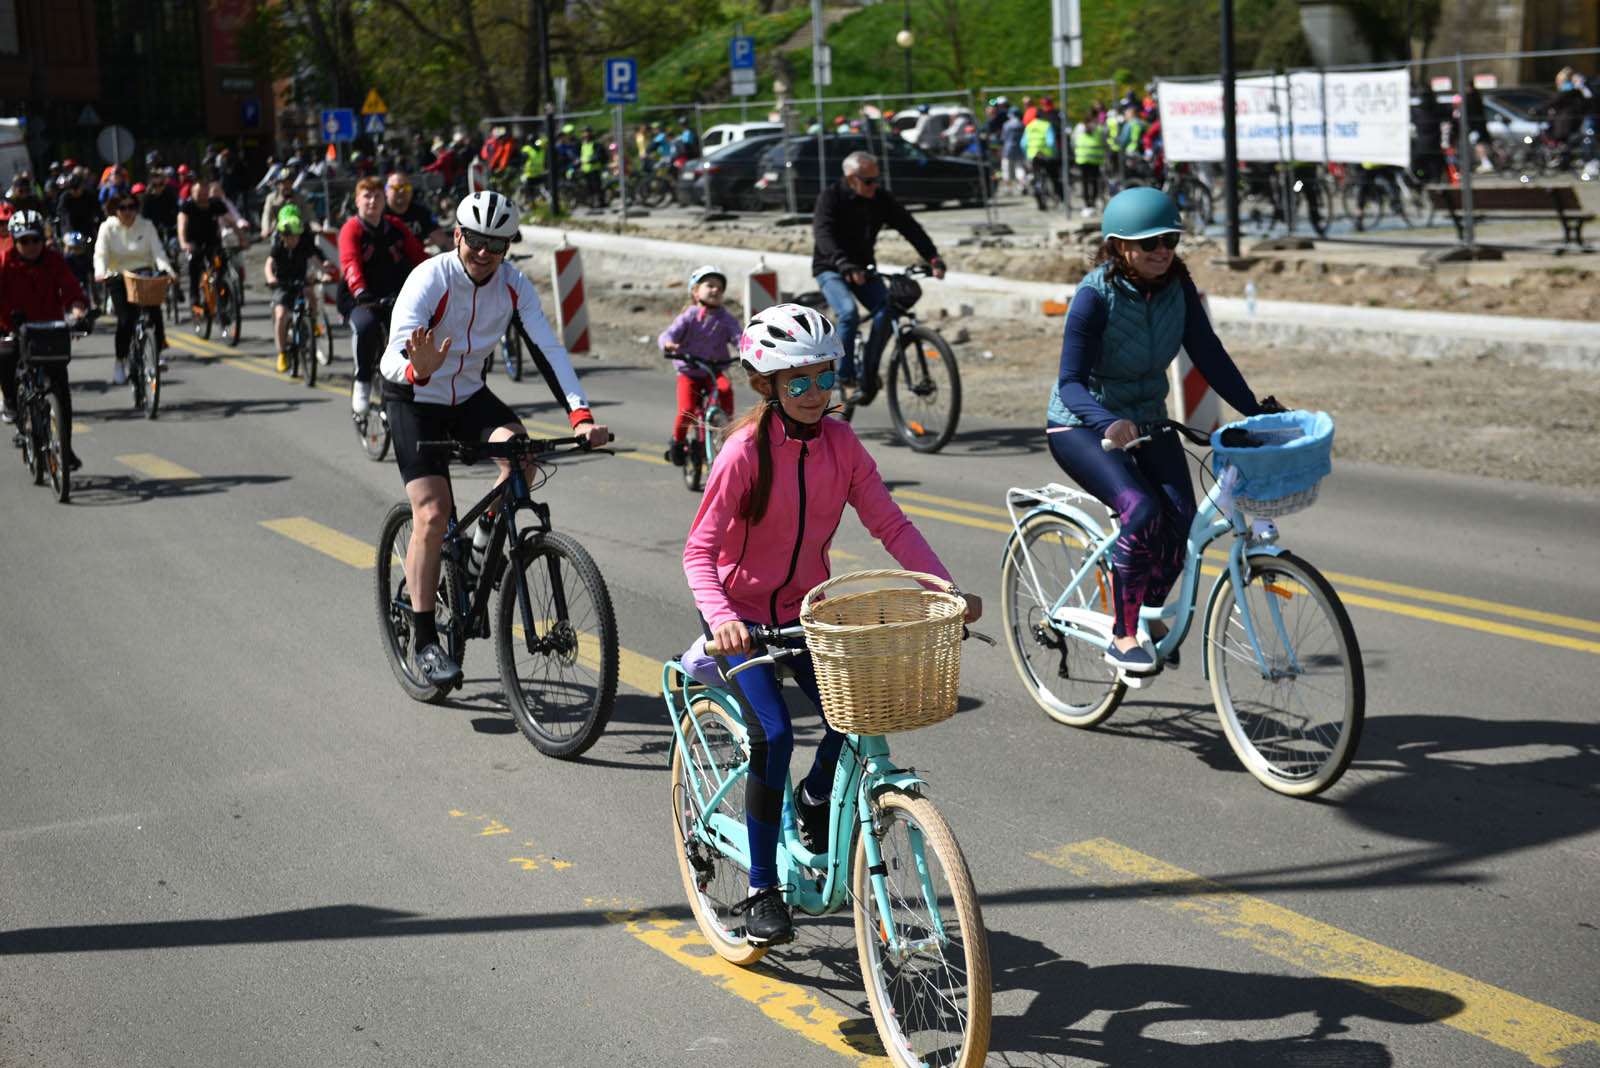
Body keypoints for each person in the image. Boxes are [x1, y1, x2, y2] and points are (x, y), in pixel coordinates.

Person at [680, 302, 981, 946]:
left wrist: (944, 590)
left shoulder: (842, 445)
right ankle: (762, 887)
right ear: (768, 385)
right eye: (800, 382)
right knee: (775, 735)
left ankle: (816, 800)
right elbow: (698, 551)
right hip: (747, 621)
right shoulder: (742, 454)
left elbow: (891, 525)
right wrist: (725, 620)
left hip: (808, 613)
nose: (817, 394)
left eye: (826, 378)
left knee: (862, 716)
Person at [378, 190, 609, 686]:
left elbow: (548, 349)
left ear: (508, 248)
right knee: (433, 513)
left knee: (522, 454)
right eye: (476, 240)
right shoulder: (430, 277)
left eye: (497, 244)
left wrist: (581, 416)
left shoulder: (513, 285)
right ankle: (423, 640)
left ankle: (478, 551)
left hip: (466, 395)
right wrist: (417, 370)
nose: (484, 252)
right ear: (458, 235)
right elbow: (395, 354)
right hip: (412, 397)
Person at [1045, 188, 1273, 676]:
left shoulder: (1178, 287)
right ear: (1118, 247)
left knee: (1183, 525)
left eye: (1169, 238)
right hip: (1081, 423)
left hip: (1148, 418)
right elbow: (1070, 382)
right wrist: (1108, 421)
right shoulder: (1092, 297)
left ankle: (1142, 613)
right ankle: (1123, 634)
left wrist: (1256, 411)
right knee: (1141, 510)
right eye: (1148, 242)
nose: (1162, 250)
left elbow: (1208, 354)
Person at [810, 150, 945, 406]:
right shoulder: (831, 197)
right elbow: (823, 234)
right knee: (848, 313)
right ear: (851, 179)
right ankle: (847, 379)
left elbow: (909, 226)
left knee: (889, 309)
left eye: (876, 179)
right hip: (831, 267)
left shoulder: (880, 198)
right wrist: (842, 262)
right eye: (868, 181)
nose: (874, 186)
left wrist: (933, 257)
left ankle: (868, 374)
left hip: (863, 269)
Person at [0, 210, 90, 467]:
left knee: (61, 392)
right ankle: (11, 403)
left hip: (48, 330)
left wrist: (77, 310)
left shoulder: (54, 260)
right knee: (4, 358)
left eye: (35, 240)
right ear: (15, 241)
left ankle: (66, 447)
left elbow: (71, 288)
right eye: (24, 241)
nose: (31, 246)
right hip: (13, 330)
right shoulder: (4, 261)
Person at [338, 175, 428, 414]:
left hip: (394, 296)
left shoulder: (396, 227)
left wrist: (439, 275)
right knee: (366, 327)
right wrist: (360, 290)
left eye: (377, 195)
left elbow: (419, 256)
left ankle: (413, 383)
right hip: (360, 298)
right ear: (357, 200)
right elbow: (350, 262)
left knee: (414, 331)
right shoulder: (352, 228)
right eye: (367, 196)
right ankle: (363, 382)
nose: (372, 201)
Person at [661, 264, 740, 467]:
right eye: (710, 285)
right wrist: (668, 344)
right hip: (689, 372)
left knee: (725, 388)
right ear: (695, 291)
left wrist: (746, 350)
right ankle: (677, 442)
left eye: (720, 288)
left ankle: (725, 423)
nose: (715, 290)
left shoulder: (726, 320)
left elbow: (739, 338)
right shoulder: (689, 316)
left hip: (713, 371)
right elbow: (668, 334)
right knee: (686, 410)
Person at [94, 192, 177, 380]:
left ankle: (157, 354)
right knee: (125, 320)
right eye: (122, 208)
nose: (127, 212)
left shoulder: (146, 226)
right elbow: (101, 254)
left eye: (131, 207)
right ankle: (120, 360)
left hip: (144, 275)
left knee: (155, 313)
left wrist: (168, 271)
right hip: (118, 277)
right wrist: (101, 272)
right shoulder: (107, 228)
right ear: (116, 210)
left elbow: (158, 252)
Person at [264, 206, 335, 372]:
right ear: (282, 236)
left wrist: (324, 273)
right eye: (291, 237)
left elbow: (315, 259)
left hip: (300, 279)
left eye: (297, 236)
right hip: (282, 283)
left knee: (310, 293)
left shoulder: (303, 244)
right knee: (281, 315)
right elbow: (269, 264)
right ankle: (282, 353)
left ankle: (314, 322)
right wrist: (271, 278)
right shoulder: (278, 246)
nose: (294, 240)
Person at [177, 180, 249, 324]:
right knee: (194, 267)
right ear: (192, 194)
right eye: (198, 193)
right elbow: (182, 224)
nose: (202, 196)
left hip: (213, 242)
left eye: (204, 193)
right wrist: (183, 243)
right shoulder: (188, 206)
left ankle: (224, 304)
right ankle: (194, 298)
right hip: (194, 242)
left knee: (221, 268)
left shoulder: (215, 204)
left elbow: (231, 221)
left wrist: (242, 238)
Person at [384, 171, 450, 251]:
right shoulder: (379, 213)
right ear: (386, 191)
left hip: (417, 260)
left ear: (411, 191)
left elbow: (442, 241)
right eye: (396, 187)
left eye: (406, 187)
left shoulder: (421, 212)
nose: (401, 191)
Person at [258, 165, 315, 240]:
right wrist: (265, 229)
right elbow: (267, 215)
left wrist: (315, 226)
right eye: (283, 183)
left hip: (297, 232)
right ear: (279, 184)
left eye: (289, 183)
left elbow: (309, 214)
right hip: (278, 232)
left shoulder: (300, 197)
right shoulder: (271, 198)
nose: (286, 186)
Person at [1024, 106, 1063, 212]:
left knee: (1036, 178)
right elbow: (1051, 142)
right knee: (1054, 177)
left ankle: (1039, 201)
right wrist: (1055, 153)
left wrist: (1028, 155)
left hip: (1033, 156)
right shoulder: (1046, 125)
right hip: (1047, 156)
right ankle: (1060, 196)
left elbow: (1023, 144)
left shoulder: (1029, 126)